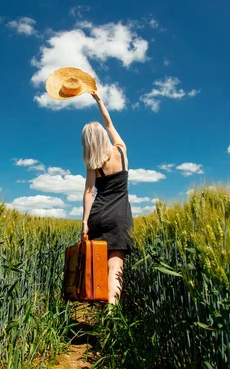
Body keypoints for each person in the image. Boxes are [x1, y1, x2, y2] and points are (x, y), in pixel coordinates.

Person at [81, 90, 133, 306]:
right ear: (103, 136)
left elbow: (89, 192)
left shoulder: (93, 163)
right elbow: (110, 124)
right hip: (119, 216)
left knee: (98, 265)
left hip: (98, 215)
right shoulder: (121, 151)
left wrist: (84, 222)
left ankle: (97, 302)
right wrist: (99, 101)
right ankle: (112, 313)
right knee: (115, 267)